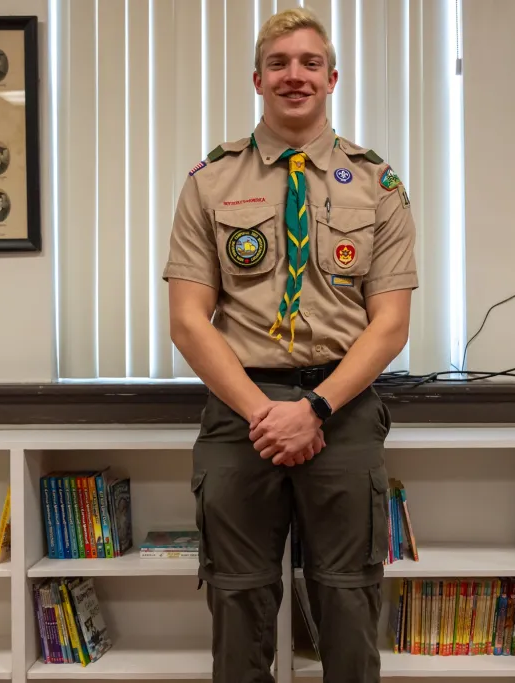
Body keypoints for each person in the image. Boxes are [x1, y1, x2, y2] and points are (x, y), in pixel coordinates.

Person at [163, 7, 417, 683]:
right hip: (241, 409)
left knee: (348, 599)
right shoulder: (211, 181)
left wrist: (316, 409)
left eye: (310, 63)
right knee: (238, 599)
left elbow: (390, 323)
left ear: (332, 78)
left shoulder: (378, 183)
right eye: (278, 64)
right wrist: (264, 413)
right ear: (258, 79)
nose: (294, 75)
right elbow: (188, 320)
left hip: (343, 407)